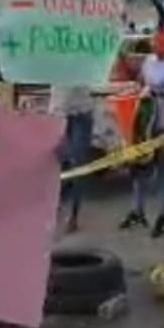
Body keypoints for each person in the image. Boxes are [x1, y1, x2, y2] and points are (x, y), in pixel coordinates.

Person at [120, 31, 164, 238]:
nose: (154, 46)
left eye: (158, 42)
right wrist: (139, 91)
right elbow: (141, 83)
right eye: (153, 42)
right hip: (146, 122)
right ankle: (137, 209)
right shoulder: (149, 62)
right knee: (140, 166)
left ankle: (163, 215)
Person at [52, 84, 93, 234]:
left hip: (80, 112)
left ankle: (73, 215)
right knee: (56, 164)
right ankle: (54, 209)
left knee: (78, 166)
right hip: (58, 111)